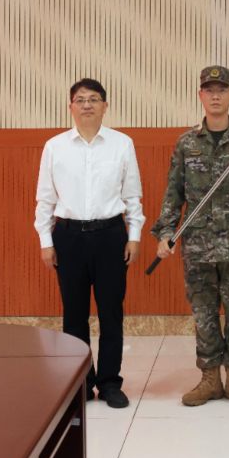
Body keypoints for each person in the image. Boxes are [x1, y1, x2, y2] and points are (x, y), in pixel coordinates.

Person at [151, 65, 229, 407]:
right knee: (204, 314)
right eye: (209, 90)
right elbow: (173, 192)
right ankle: (209, 379)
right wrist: (165, 232)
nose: (215, 96)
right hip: (198, 245)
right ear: (200, 95)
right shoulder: (187, 143)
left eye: (222, 90)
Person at [35, 78, 145, 408]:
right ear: (70, 106)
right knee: (74, 315)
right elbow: (45, 199)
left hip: (111, 235)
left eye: (94, 99)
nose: (87, 105)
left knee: (111, 313)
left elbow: (132, 195)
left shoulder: (122, 144)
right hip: (68, 237)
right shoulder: (55, 146)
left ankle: (110, 382)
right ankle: (81, 383)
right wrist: (45, 241)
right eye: (80, 99)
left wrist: (134, 236)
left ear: (105, 106)